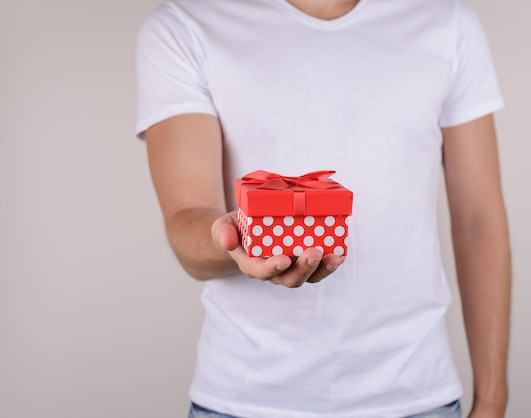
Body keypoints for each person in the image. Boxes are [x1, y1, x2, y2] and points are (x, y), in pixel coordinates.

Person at [135, 0, 511, 417]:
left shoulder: (446, 22)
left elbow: (479, 222)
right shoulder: (185, 24)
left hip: (417, 396)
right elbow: (188, 215)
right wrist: (235, 240)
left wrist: (493, 400)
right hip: (244, 399)